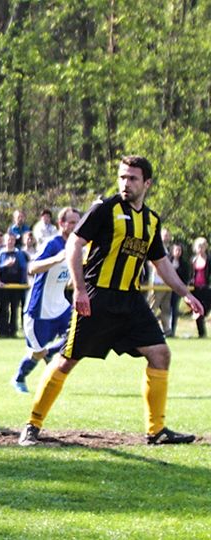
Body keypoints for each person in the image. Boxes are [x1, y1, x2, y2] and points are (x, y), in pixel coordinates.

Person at [19, 155, 205, 446]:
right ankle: (32, 425)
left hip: (130, 301)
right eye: (122, 177)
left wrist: (186, 293)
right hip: (97, 297)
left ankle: (156, 430)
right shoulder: (105, 209)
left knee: (160, 353)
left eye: (132, 178)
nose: (125, 183)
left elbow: (161, 263)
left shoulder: (151, 221)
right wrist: (79, 289)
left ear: (147, 183)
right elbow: (75, 243)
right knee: (67, 360)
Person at [10, 208, 80, 393]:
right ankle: (19, 378)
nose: (75, 226)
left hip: (61, 306)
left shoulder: (77, 245)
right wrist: (56, 259)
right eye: (71, 222)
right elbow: (32, 268)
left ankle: (50, 354)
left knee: (78, 336)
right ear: (61, 224)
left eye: (77, 222)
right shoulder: (52, 244)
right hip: (39, 310)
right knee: (37, 353)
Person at [0, 233, 29, 337]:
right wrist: (4, 265)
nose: (10, 242)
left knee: (15, 309)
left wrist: (24, 283)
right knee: (3, 308)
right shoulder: (0, 253)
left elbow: (24, 268)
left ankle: (13, 331)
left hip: (17, 286)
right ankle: (3, 331)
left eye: (12, 240)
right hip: (3, 286)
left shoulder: (19, 254)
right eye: (8, 239)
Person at [148, 228, 175, 336]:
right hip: (157, 282)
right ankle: (148, 329)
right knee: (153, 306)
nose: (166, 237)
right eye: (164, 235)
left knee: (166, 308)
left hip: (168, 283)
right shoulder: (156, 246)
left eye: (168, 235)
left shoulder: (170, 250)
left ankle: (167, 330)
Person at [190, 237, 210, 338]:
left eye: (202, 246)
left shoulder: (209, 260)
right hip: (196, 289)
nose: (201, 248)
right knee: (198, 310)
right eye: (199, 246)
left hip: (207, 288)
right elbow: (190, 274)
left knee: (204, 309)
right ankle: (201, 334)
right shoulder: (193, 260)